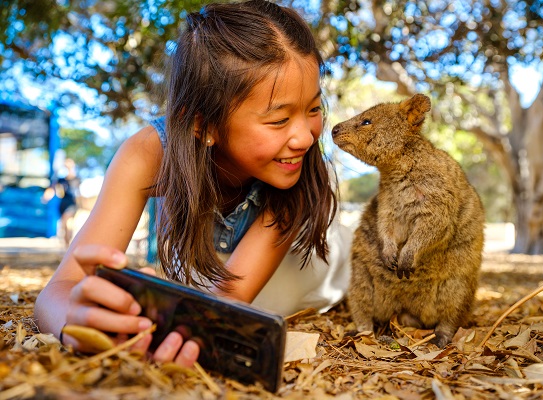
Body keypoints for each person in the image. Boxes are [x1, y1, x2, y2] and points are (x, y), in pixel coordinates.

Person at [34, 0, 350, 368]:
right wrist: (74, 323)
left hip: (317, 264)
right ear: (203, 125)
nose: (306, 138)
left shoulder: (298, 169)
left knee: (262, 302)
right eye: (279, 120)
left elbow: (230, 298)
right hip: (216, 265)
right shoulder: (147, 154)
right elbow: (55, 293)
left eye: (313, 109)